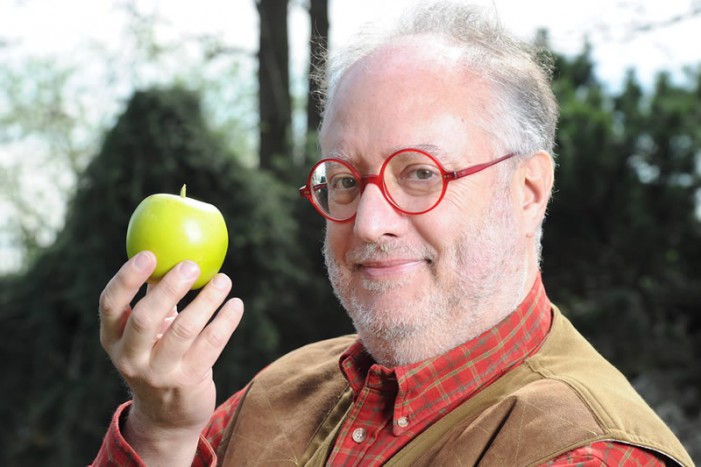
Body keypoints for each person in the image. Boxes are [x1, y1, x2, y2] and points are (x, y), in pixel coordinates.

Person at [91, 2, 693, 466]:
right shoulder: (270, 398)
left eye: (419, 173)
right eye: (345, 179)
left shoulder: (588, 452)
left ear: (529, 190)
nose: (369, 221)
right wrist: (163, 433)